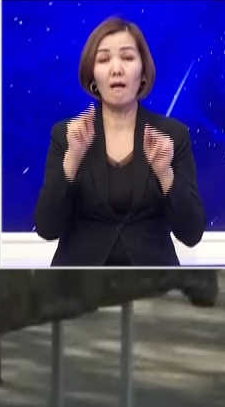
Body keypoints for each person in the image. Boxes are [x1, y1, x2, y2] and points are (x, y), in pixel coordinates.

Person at [34, 17, 206, 266]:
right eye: (104, 60)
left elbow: (191, 233)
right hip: (80, 280)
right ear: (92, 75)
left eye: (127, 58)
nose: (117, 69)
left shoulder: (171, 135)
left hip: (152, 280)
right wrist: (72, 161)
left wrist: (165, 174)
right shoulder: (67, 135)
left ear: (143, 72)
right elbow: (47, 227)